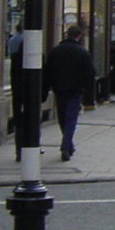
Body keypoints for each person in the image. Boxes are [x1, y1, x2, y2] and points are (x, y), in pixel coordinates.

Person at [44, 25, 96, 161]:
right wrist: (86, 87)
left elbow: (48, 72)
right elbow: (90, 73)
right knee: (71, 118)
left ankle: (68, 145)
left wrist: (45, 90)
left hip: (59, 89)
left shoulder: (55, 51)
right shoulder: (82, 52)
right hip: (75, 90)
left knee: (62, 118)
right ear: (79, 36)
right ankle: (66, 146)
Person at [7, 24, 24, 161]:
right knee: (32, 121)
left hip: (17, 92)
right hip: (30, 94)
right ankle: (29, 146)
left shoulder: (12, 40)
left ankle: (19, 149)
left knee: (19, 121)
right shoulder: (36, 58)